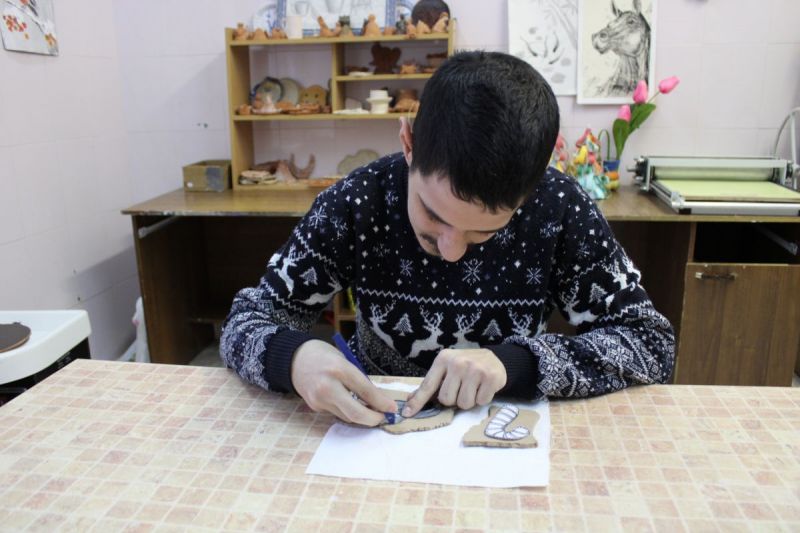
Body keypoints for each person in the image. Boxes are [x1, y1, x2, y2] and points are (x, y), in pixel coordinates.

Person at [221, 51, 675, 427]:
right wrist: (293, 358)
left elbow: (651, 344)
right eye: (432, 216)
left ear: (532, 189)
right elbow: (245, 321)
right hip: (375, 424)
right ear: (408, 143)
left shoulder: (559, 206)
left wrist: (515, 363)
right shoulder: (357, 202)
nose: (452, 250)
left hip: (501, 424)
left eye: (484, 232)